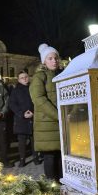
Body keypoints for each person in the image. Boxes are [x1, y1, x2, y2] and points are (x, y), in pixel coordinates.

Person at [30, 43, 63, 181]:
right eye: (50, 58)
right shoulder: (39, 77)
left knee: (61, 155)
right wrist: (59, 115)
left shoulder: (62, 74)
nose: (54, 61)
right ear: (44, 61)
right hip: (47, 124)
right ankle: (52, 187)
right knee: (50, 156)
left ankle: (63, 184)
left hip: (61, 122)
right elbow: (39, 99)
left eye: (55, 58)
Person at [9, 70, 41, 167]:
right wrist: (22, 113)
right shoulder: (15, 90)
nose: (25, 79)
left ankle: (36, 158)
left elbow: (38, 101)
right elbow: (12, 104)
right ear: (18, 80)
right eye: (22, 78)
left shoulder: (33, 88)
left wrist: (33, 112)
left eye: (26, 77)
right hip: (21, 119)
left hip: (33, 117)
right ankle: (22, 159)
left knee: (34, 140)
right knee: (22, 142)